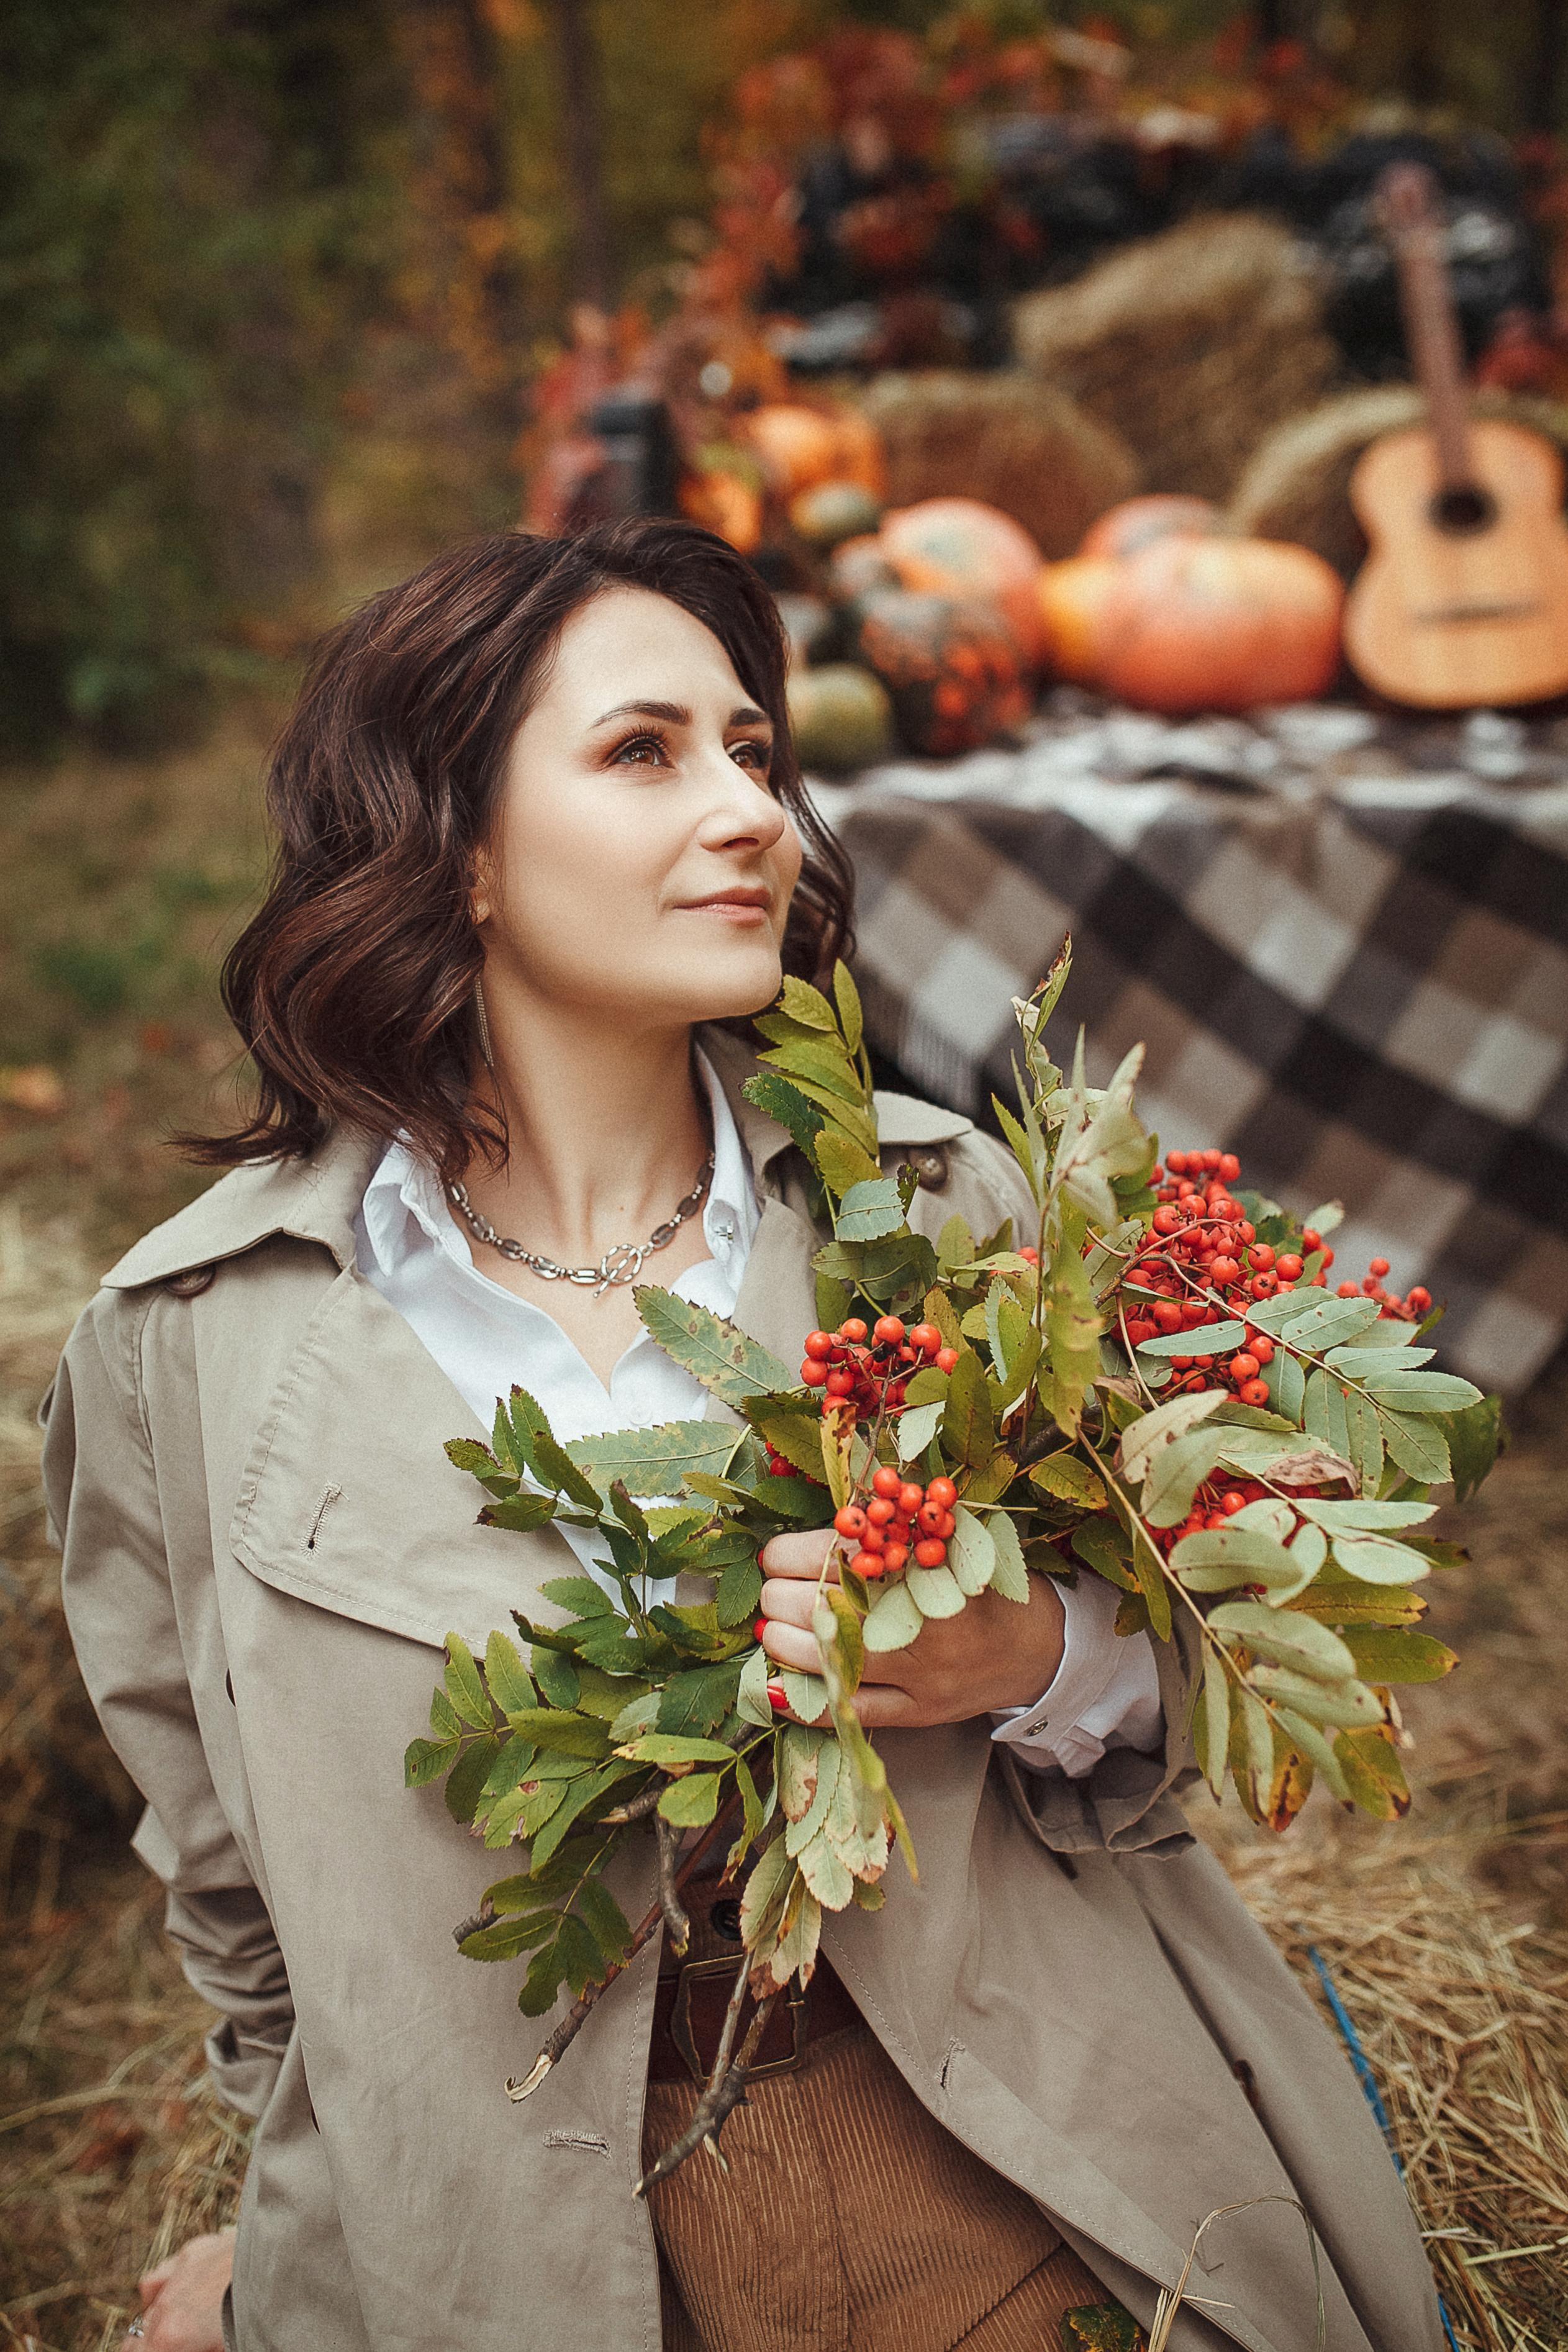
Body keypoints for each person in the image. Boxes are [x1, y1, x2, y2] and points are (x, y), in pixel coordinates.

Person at [44, 519, 1446, 2352]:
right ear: (453, 847)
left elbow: (1208, 1703)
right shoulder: (187, 1340)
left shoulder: (957, 1223)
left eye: (756, 753)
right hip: (494, 2240)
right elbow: (238, 1889)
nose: (751, 812)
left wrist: (1034, 1654)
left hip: (988, 2140)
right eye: (645, 752)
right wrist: (320, 2218)